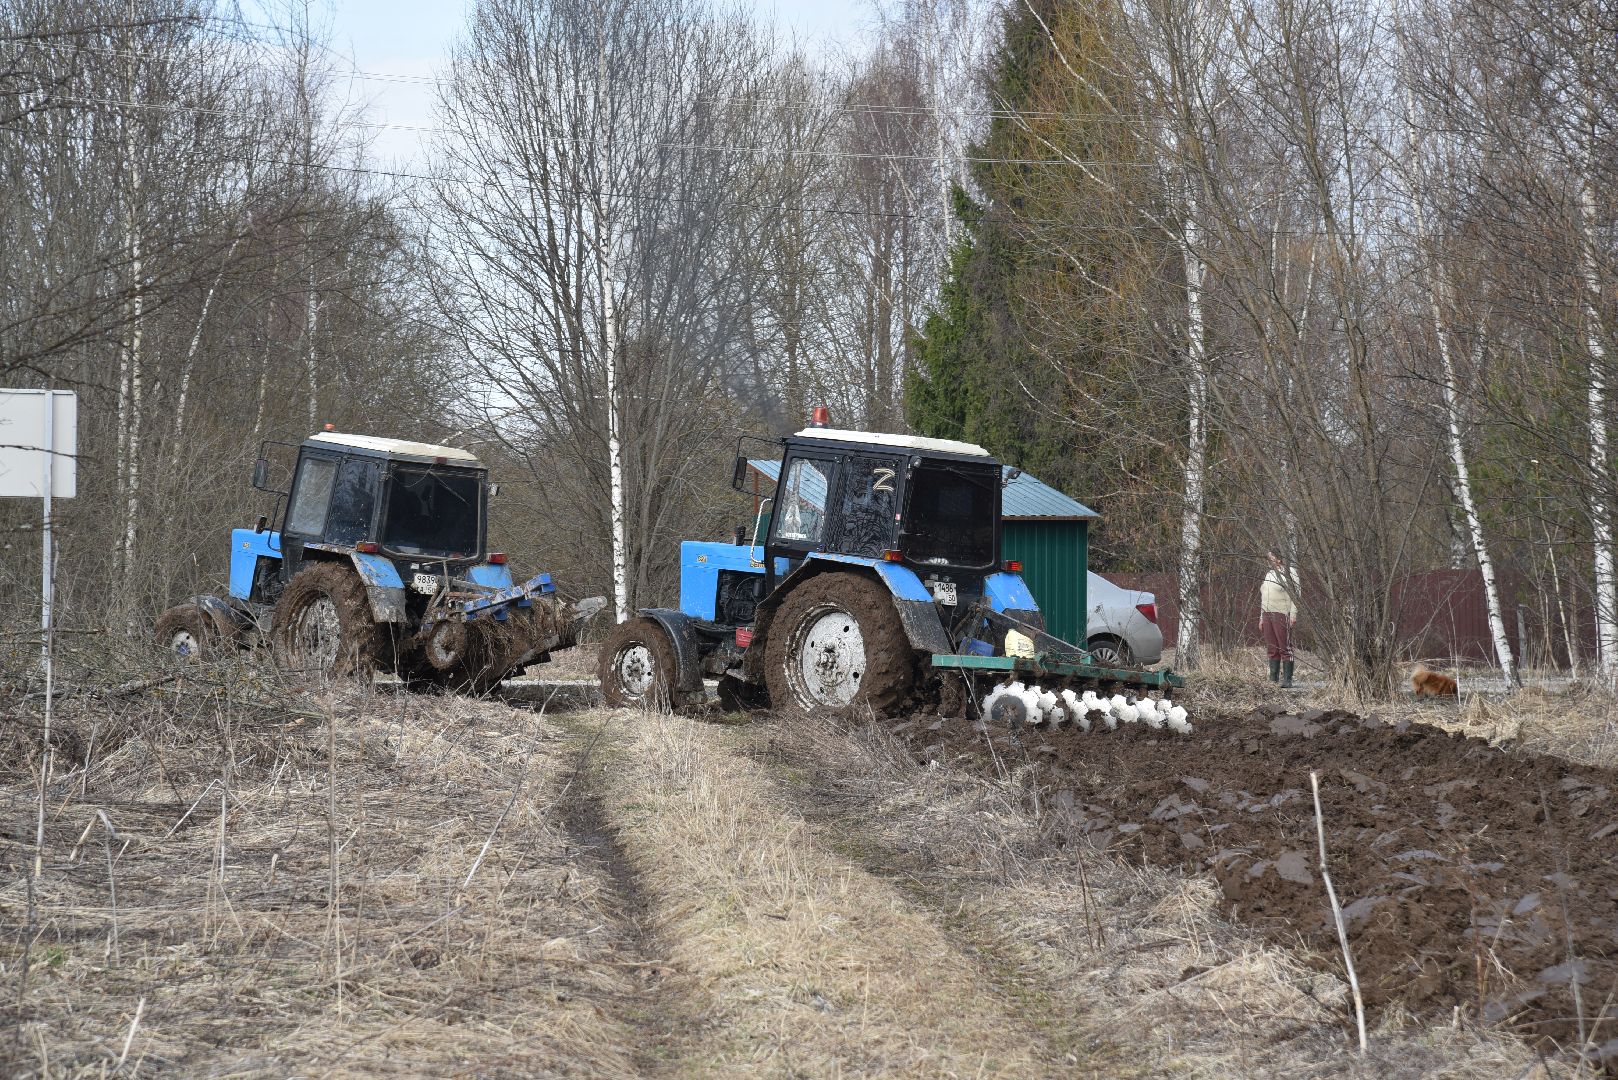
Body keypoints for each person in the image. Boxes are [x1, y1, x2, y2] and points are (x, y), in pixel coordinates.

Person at [1259, 550, 1299, 687]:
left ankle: (1288, 679)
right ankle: (1273, 679)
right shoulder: (1269, 574)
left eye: (1272, 557)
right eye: (1268, 558)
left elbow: (1296, 595)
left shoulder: (1289, 573)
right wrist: (1261, 617)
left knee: (1284, 646)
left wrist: (1293, 614)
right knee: (1272, 647)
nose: (1269, 560)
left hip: (1282, 613)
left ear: (1279, 558)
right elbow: (1263, 596)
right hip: (1267, 614)